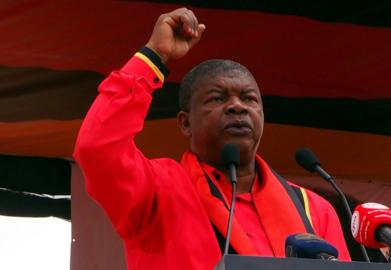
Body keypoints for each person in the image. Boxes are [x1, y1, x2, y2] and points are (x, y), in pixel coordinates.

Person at [74, 7, 351, 270]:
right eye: (218, 98)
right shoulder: (155, 189)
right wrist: (153, 57)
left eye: (249, 99)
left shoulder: (314, 209)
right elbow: (97, 147)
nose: (237, 106)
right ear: (185, 123)